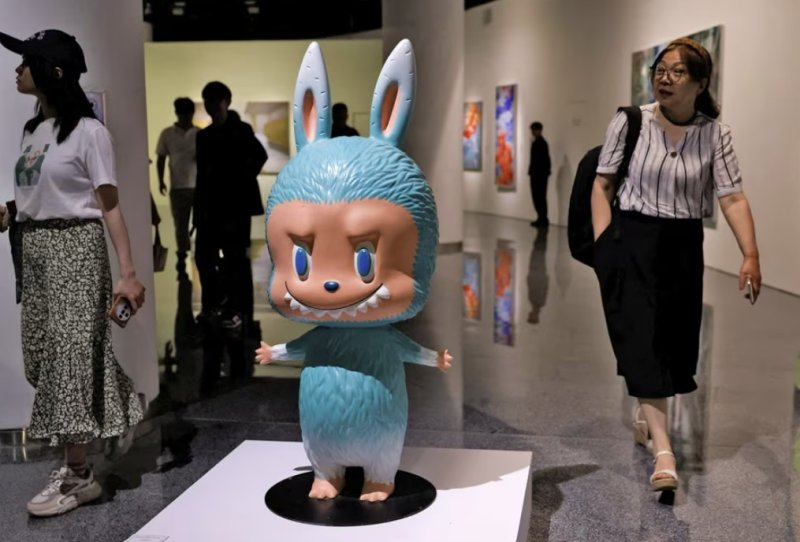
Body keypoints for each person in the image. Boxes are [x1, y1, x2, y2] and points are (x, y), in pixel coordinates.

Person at [590, 38, 761, 492]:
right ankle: (664, 452)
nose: (664, 79)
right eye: (659, 70)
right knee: (641, 338)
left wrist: (750, 254)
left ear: (700, 83)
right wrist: (605, 247)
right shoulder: (630, 122)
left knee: (673, 342)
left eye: (677, 71)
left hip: (684, 245)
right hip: (632, 240)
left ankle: (647, 418)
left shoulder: (716, 134)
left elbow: (732, 196)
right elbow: (602, 185)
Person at [0, 29, 146, 516]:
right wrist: (11, 211)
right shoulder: (32, 130)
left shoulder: (90, 133)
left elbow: (109, 206)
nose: (17, 69)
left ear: (53, 72)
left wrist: (128, 273)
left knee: (68, 362)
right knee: (41, 358)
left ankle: (79, 474)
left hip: (76, 249)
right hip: (34, 249)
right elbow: (40, 193)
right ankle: (119, 405)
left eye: (26, 62)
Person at [193, 81, 266, 383]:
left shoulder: (241, 131)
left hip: (234, 210)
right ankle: (215, 310)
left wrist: (239, 180)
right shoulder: (204, 136)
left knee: (236, 263)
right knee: (206, 260)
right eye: (208, 102)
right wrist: (198, 212)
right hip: (212, 210)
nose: (213, 107)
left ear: (226, 102)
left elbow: (259, 157)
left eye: (216, 101)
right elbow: (202, 176)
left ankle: (237, 314)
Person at [155, 97, 197, 270]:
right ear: (177, 113)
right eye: (182, 114)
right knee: (180, 224)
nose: (185, 117)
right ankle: (182, 253)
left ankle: (190, 251)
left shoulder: (200, 134)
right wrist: (161, 181)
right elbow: (161, 159)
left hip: (198, 186)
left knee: (197, 222)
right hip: (178, 187)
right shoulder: (167, 134)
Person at [528, 121, 551, 227]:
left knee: (540, 197)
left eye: (533, 130)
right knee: (537, 197)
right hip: (537, 174)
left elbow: (545, 160)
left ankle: (543, 218)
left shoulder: (541, 143)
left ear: (538, 130)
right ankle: (541, 218)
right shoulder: (537, 142)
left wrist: (544, 172)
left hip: (540, 175)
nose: (532, 132)